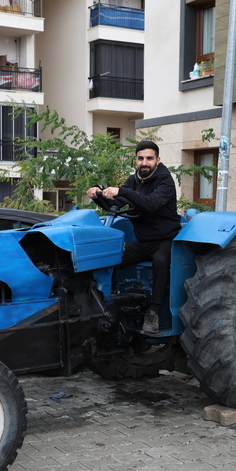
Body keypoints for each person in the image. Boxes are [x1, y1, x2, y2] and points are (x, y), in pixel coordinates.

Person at [86, 140, 182, 334]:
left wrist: (122, 191)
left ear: (157, 160)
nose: (144, 162)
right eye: (140, 158)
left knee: (161, 260)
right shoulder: (134, 180)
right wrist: (98, 195)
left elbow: (151, 204)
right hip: (143, 242)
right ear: (135, 160)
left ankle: (153, 312)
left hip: (165, 240)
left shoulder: (165, 180)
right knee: (112, 257)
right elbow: (117, 203)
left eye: (149, 158)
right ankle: (110, 301)